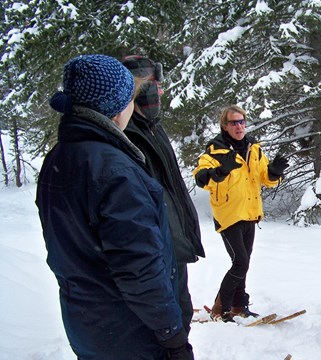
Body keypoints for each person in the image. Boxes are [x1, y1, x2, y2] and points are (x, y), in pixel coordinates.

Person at [36, 54, 193, 359]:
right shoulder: (114, 170)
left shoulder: (60, 156)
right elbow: (138, 270)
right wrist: (173, 336)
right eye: (130, 99)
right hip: (130, 331)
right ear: (116, 107)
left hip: (88, 324)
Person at [121, 55, 205, 334]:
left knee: (181, 315)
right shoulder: (126, 136)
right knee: (168, 328)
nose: (161, 91)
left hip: (173, 248)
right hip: (155, 254)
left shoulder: (154, 129)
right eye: (155, 85)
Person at [193, 104, 289, 322]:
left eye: (242, 121)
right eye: (234, 122)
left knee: (244, 262)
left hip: (250, 212)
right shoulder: (215, 150)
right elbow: (201, 178)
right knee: (240, 262)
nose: (239, 126)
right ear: (225, 126)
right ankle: (221, 308)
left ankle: (238, 305)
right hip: (228, 214)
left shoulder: (253, 148)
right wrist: (220, 170)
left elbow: (266, 179)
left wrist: (275, 171)